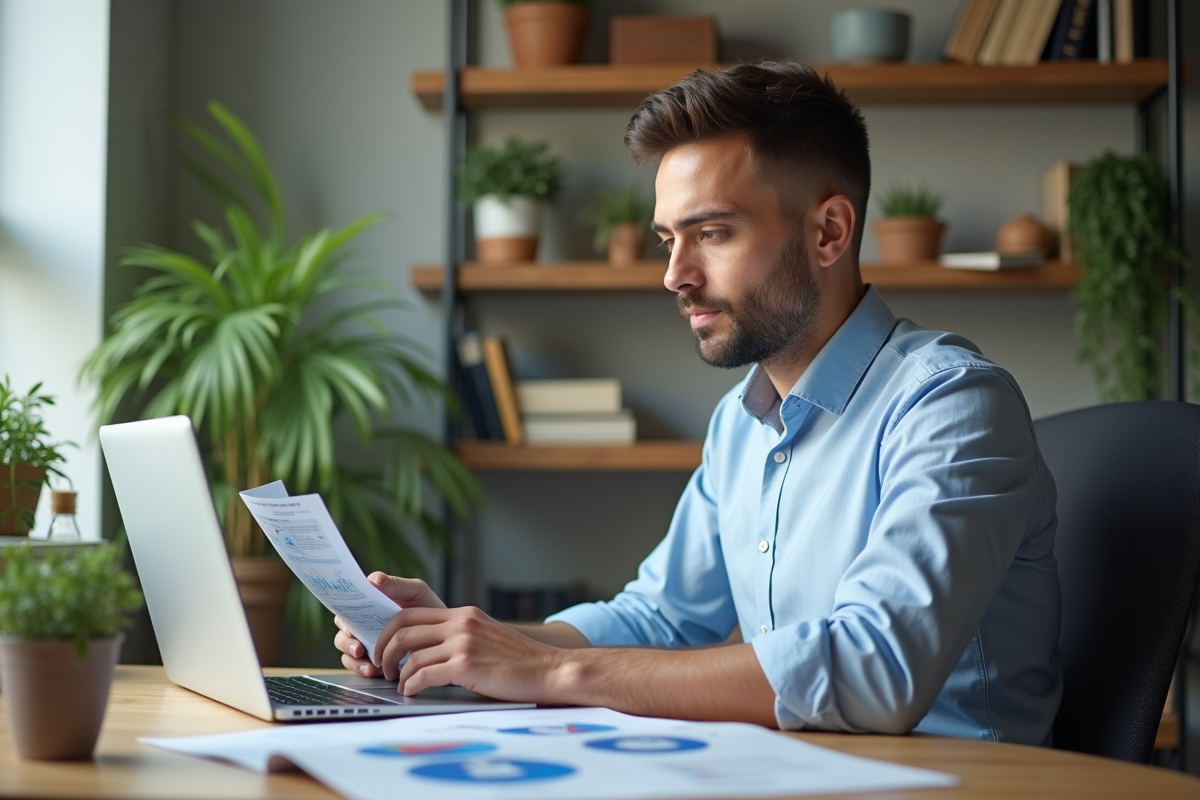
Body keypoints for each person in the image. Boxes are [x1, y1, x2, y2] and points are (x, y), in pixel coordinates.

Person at [334, 61, 1062, 744]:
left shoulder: (951, 404)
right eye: (667, 239)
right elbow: (661, 617)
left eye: (712, 233)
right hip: (803, 773)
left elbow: (875, 671)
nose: (675, 276)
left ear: (829, 231)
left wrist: (549, 671)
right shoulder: (738, 425)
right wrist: (467, 639)